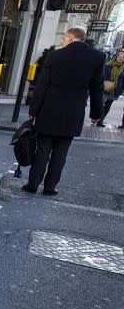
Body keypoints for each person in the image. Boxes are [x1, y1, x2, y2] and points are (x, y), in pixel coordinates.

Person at [24, 26, 105, 196]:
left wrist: (34, 110)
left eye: (63, 38)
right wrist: (96, 114)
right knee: (61, 153)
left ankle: (32, 185)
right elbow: (97, 87)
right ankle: (50, 188)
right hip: (73, 112)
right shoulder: (98, 57)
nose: (62, 41)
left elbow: (42, 85)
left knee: (43, 150)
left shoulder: (55, 55)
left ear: (70, 37)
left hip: (49, 110)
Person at [97, 48, 124, 128]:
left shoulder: (123, 68)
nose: (121, 58)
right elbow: (102, 75)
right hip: (105, 88)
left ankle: (100, 120)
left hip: (115, 90)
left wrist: (121, 90)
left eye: (123, 58)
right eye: (120, 56)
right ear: (116, 57)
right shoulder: (108, 65)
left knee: (108, 105)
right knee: (101, 105)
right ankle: (97, 118)